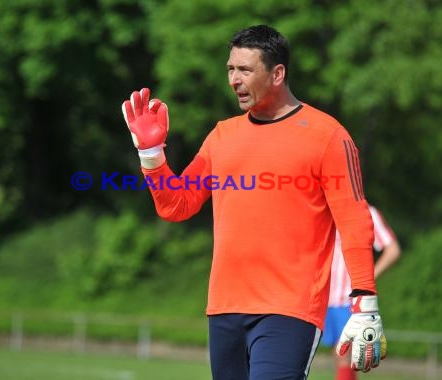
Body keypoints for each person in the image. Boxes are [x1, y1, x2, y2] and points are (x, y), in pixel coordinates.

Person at [121, 25, 387, 380]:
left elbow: (354, 222)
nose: (234, 79)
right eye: (230, 69)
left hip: (288, 309)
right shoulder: (222, 135)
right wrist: (152, 154)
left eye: (245, 70)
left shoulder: (328, 136)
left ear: (277, 73)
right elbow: (177, 204)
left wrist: (365, 301)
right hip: (224, 307)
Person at [323, 205, 401, 380]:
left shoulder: (366, 212)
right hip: (326, 299)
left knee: (344, 356)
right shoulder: (327, 211)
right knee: (340, 358)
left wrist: (365, 279)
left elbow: (392, 249)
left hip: (351, 300)